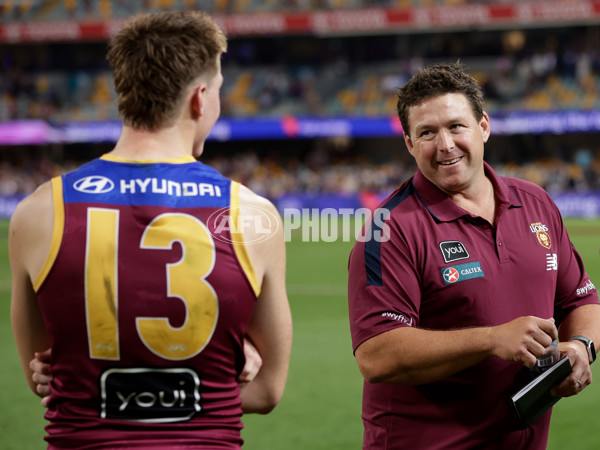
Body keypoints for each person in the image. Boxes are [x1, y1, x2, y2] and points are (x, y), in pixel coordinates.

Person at [10, 11, 292, 449]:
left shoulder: (38, 212)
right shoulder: (250, 213)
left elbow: (43, 375)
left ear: (123, 94)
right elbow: (268, 390)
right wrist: (214, 374)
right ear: (200, 99)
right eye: (218, 90)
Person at [347, 62, 600, 449]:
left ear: (483, 126)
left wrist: (582, 345)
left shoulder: (535, 203)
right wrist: (491, 340)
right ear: (410, 144)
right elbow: (376, 355)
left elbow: (581, 299)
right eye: (427, 132)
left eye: (455, 126)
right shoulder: (388, 228)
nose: (445, 144)